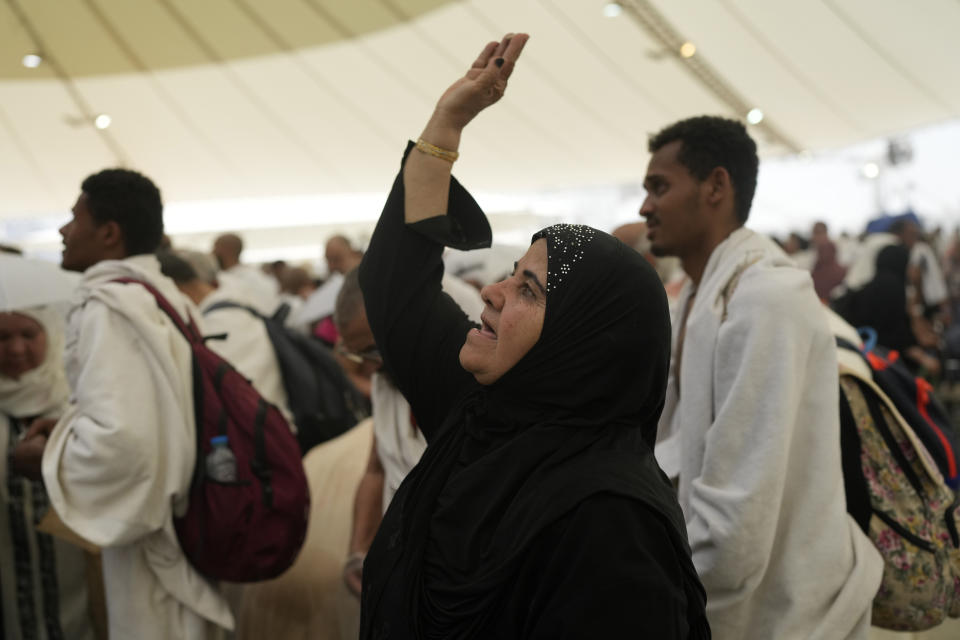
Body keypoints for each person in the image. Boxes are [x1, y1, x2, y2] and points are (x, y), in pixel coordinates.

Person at [357, 34, 708, 639]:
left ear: (582, 345)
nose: (492, 292)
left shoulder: (611, 523)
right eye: (512, 275)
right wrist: (448, 122)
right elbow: (397, 287)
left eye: (529, 291)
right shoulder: (482, 413)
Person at [641, 116, 883, 638]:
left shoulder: (767, 299)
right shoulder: (697, 300)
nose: (645, 208)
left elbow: (738, 527)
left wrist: (658, 590)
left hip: (790, 611)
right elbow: (679, 451)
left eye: (659, 187)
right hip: (721, 594)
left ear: (716, 186)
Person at [41, 169, 232, 639]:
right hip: (189, 523)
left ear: (109, 233)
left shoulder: (109, 305)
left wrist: (48, 456)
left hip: (149, 542)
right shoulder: (165, 296)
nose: (64, 232)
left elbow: (123, 443)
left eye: (73, 219)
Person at [335, 267, 483, 599]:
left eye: (374, 350)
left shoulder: (481, 396)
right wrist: (358, 552)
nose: (369, 366)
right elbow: (376, 468)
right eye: (356, 354)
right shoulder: (387, 381)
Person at [1, 305, 99, 640]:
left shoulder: (77, 399)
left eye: (29, 334)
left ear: (51, 336)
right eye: (2, 337)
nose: (16, 349)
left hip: (79, 568)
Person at [157, 250, 293, 422]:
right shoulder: (236, 305)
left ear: (172, 287)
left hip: (257, 433)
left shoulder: (218, 325)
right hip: (266, 426)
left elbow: (231, 397)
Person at [211, 232, 278, 315]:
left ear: (226, 250)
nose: (212, 252)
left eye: (215, 247)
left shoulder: (226, 280)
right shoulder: (259, 276)